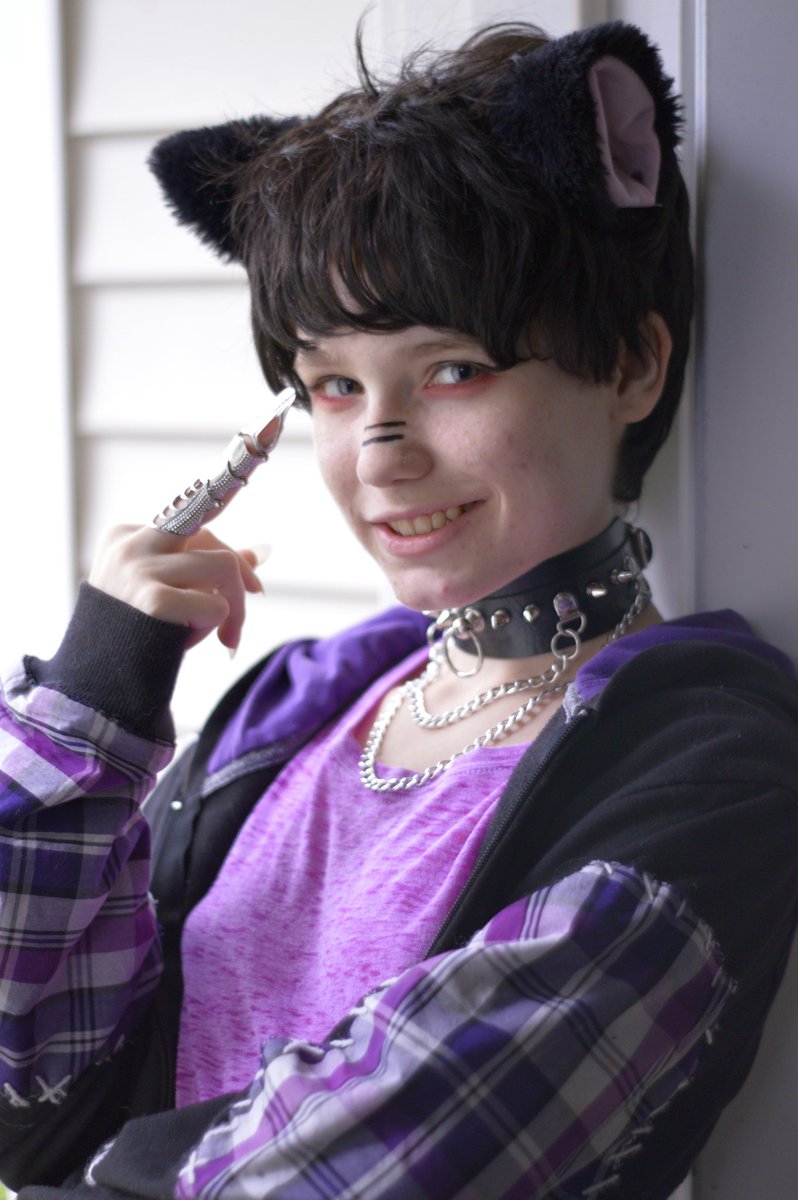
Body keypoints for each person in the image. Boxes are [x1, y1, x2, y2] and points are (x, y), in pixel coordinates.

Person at [1, 19, 797, 1200]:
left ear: (632, 365)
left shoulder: (705, 770)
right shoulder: (299, 711)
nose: (381, 452)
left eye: (453, 370)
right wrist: (95, 695)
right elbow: (29, 1099)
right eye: (333, 384)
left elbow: (378, 1172)